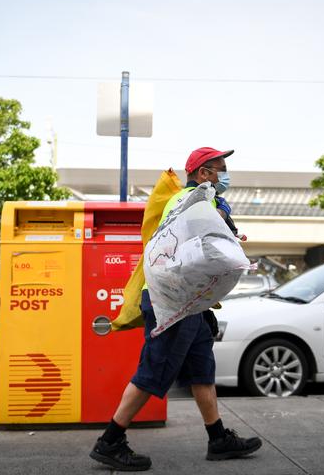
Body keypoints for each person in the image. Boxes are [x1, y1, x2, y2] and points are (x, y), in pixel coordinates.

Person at [90, 147, 262, 471]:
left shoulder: (199, 201)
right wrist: (223, 224)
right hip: (171, 301)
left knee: (201, 369)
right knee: (154, 370)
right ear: (202, 173)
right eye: (219, 169)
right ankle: (110, 441)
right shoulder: (192, 201)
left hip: (189, 303)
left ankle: (218, 438)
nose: (224, 175)